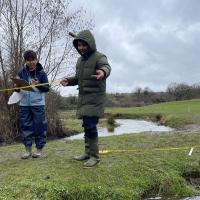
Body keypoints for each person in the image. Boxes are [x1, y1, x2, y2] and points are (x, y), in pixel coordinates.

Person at [60, 30, 111, 168]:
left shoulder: (100, 57)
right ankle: (88, 153)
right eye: (79, 45)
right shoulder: (80, 60)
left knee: (90, 126)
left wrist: (103, 72)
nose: (81, 48)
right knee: (86, 126)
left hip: (95, 99)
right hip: (83, 99)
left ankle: (94, 156)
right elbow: (78, 79)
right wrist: (68, 81)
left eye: (84, 45)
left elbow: (106, 67)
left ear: (90, 44)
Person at [16, 50, 49, 159]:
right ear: (25, 61)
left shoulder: (42, 73)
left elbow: (47, 88)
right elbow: (17, 90)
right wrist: (16, 87)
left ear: (36, 59)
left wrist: (38, 84)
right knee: (26, 126)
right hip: (24, 104)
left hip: (38, 104)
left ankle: (39, 150)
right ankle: (27, 150)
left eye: (33, 60)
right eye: (28, 60)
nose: (31, 62)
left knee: (39, 126)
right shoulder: (21, 72)